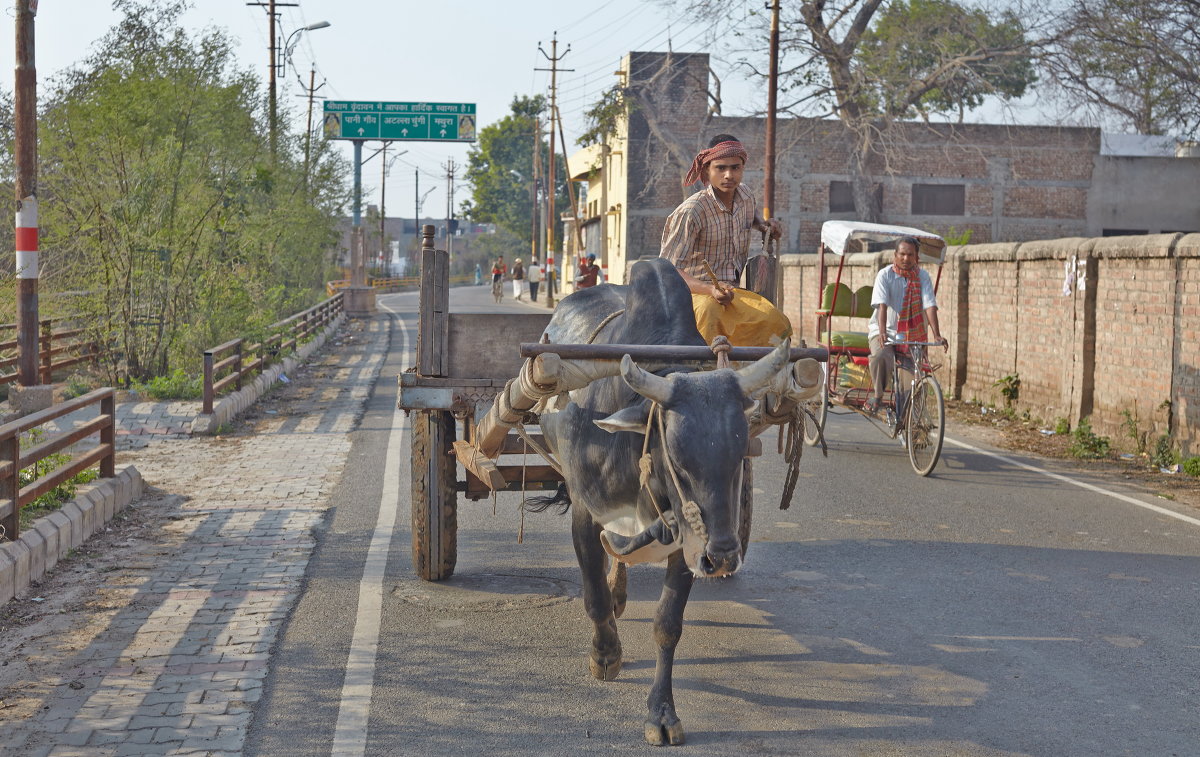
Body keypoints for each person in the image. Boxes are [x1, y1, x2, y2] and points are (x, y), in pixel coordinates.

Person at [659, 134, 790, 347]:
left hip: (732, 293)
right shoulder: (692, 211)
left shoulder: (745, 195)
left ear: (742, 168)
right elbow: (667, 271)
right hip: (693, 296)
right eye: (720, 168)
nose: (729, 175)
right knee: (711, 318)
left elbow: (750, 213)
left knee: (775, 319)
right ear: (706, 171)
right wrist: (710, 289)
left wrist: (764, 225)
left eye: (735, 168)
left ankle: (761, 377)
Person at [865, 236, 948, 417]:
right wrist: (881, 333)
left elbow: (929, 306)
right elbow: (882, 306)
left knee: (911, 383)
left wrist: (937, 335)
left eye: (910, 255)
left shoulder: (923, 276)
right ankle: (878, 396)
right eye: (902, 254)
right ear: (895, 255)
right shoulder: (885, 275)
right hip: (884, 331)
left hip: (912, 335)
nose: (905, 258)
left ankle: (909, 423)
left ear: (916, 256)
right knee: (880, 355)